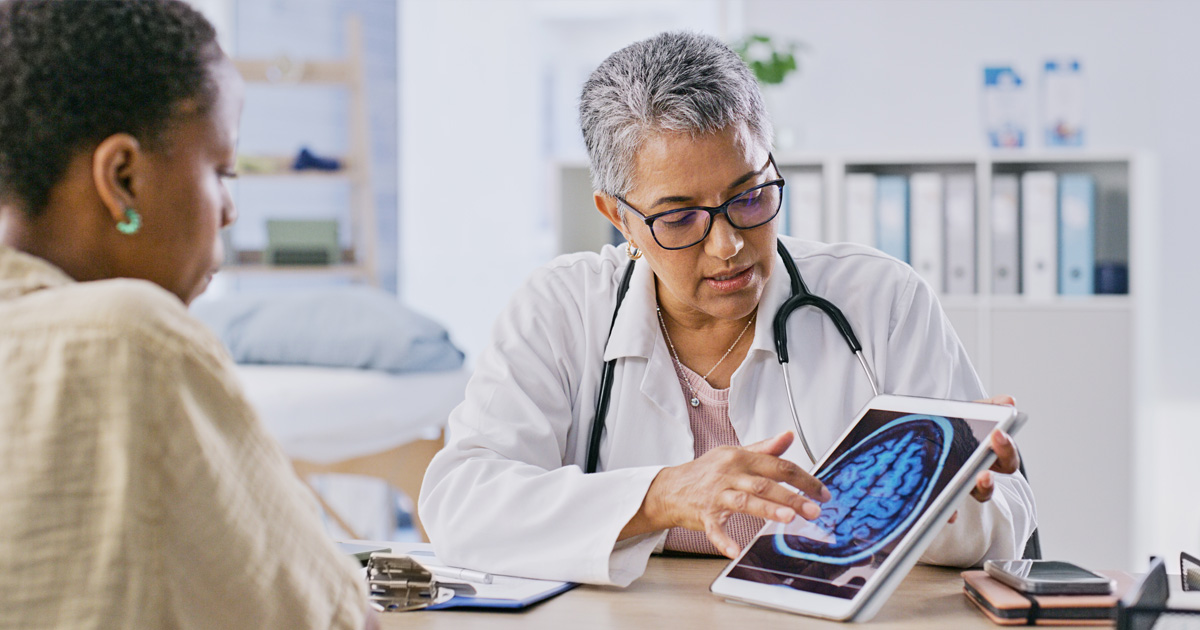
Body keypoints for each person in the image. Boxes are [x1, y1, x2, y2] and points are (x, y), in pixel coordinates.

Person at [420, 31, 1037, 587]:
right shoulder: (561, 309)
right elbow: (459, 504)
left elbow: (1006, 524)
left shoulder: (881, 301)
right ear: (618, 217)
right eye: (680, 216)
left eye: (749, 196)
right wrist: (662, 496)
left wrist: (957, 498)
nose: (728, 245)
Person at [0, 1, 375, 627]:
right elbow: (336, 620)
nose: (228, 210)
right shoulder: (128, 339)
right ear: (122, 178)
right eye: (222, 171)